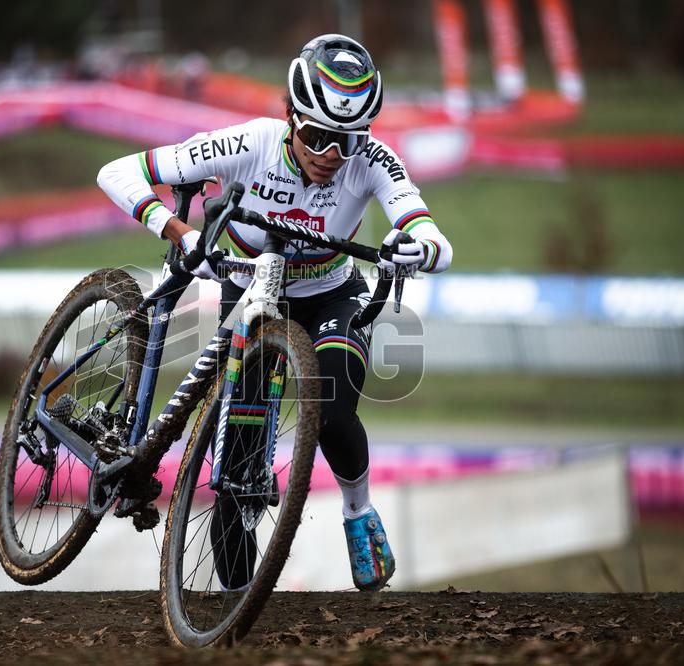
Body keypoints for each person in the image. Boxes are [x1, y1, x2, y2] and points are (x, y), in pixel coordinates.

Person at [97, 34, 453, 591]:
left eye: (347, 142)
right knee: (235, 474)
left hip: (333, 296)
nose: (330, 155)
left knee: (332, 412)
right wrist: (179, 232)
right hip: (251, 295)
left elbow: (429, 233)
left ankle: (358, 514)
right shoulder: (250, 142)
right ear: (291, 118)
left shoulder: (375, 160)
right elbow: (117, 173)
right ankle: (239, 612)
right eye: (316, 136)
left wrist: (420, 246)